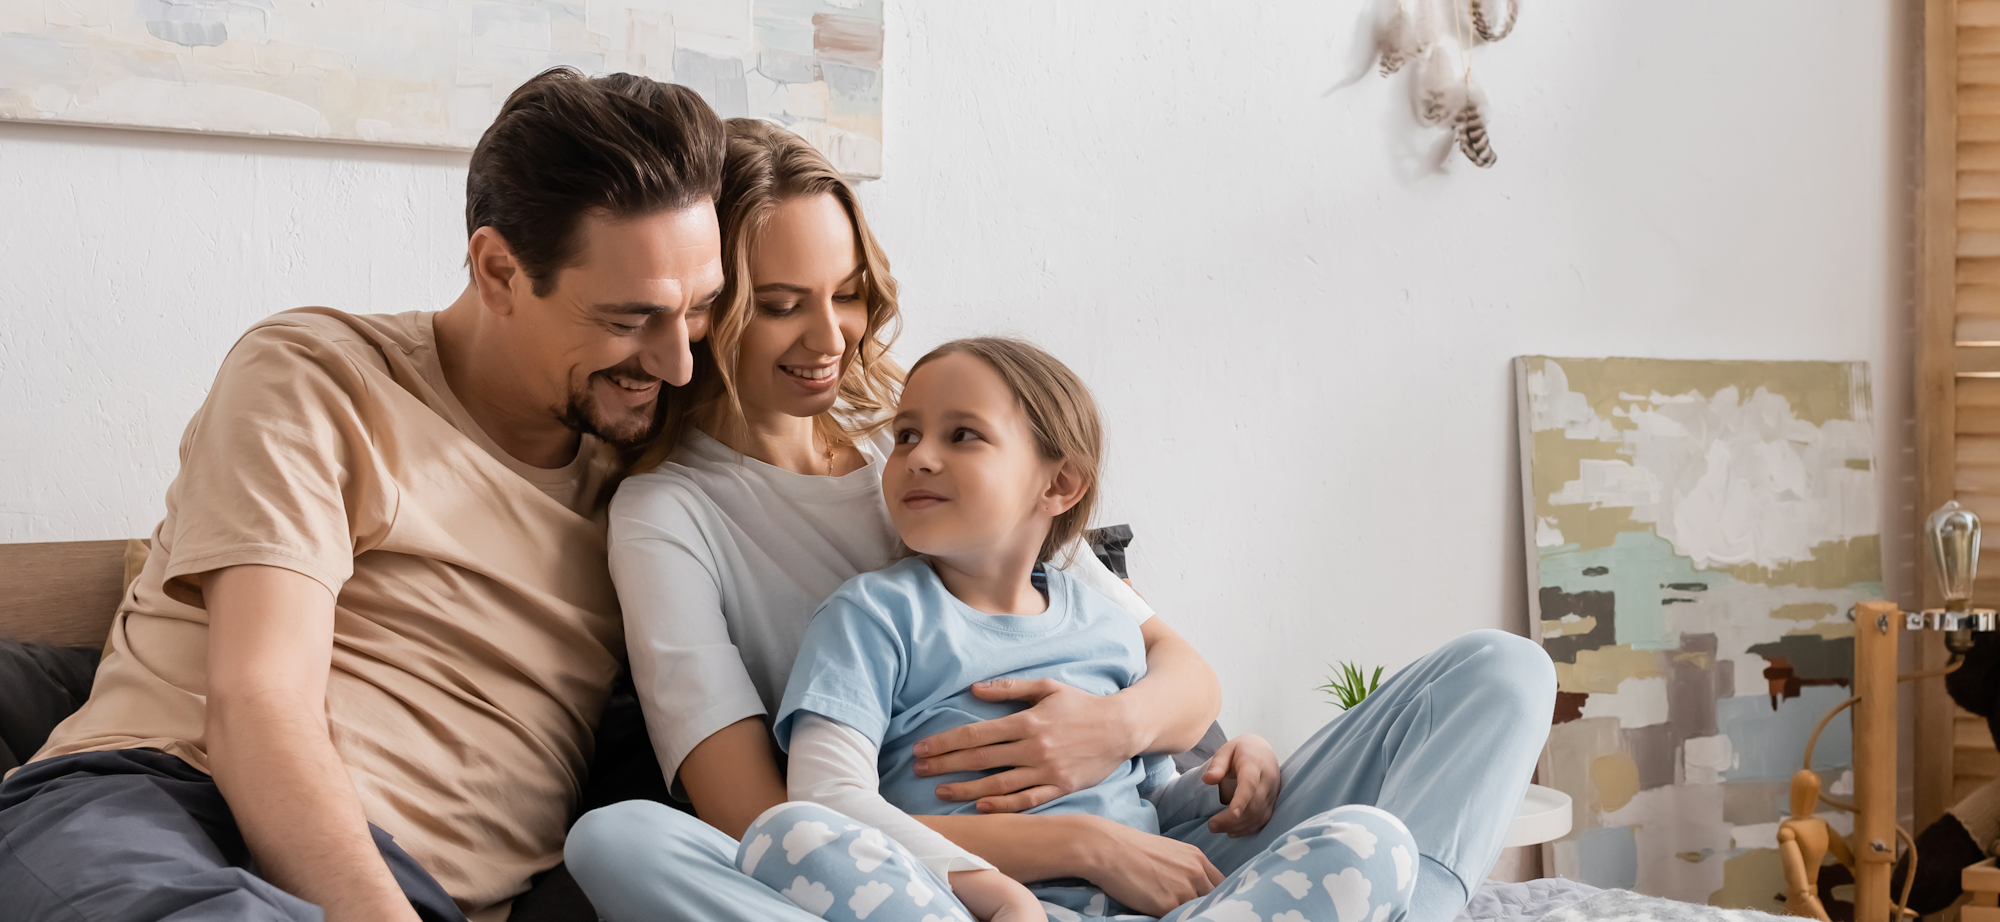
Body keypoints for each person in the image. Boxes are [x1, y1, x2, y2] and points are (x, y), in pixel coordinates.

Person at [564, 121, 1558, 922]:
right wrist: (1074, 847)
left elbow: (1179, 670)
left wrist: (1129, 740)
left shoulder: (936, 450)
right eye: (782, 304)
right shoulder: (672, 513)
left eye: (850, 295)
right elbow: (773, 817)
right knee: (622, 842)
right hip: (927, 876)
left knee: (1500, 672)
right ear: (708, 308)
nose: (831, 339)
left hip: (1155, 836)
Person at [0, 68, 727, 922]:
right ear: (497, 271)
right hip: (165, 806)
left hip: (422, 887)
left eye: (701, 309)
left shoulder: (657, 488)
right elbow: (257, 703)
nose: (676, 361)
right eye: (628, 318)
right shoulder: (321, 378)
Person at [749, 335, 1425, 922]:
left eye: (962, 435)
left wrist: (1234, 771)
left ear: (1060, 484)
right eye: (905, 435)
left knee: (1375, 843)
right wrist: (1005, 890)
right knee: (790, 835)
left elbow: (1150, 798)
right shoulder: (869, 617)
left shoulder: (1106, 623)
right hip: (965, 909)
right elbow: (829, 804)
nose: (918, 457)